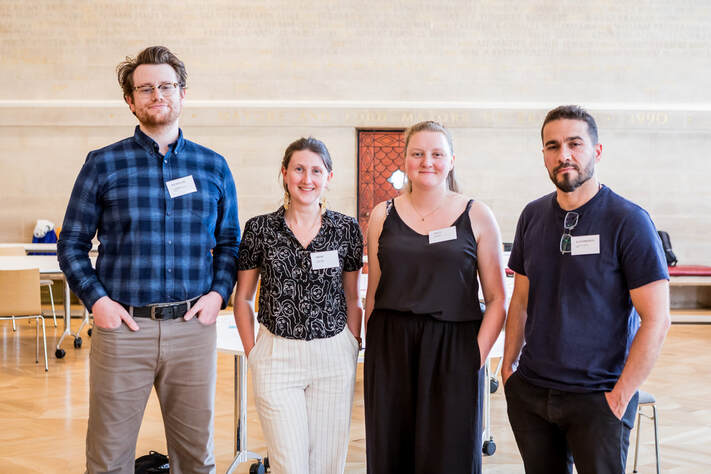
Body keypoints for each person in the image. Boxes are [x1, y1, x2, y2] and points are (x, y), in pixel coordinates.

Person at [58, 46, 239, 474]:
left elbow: (230, 242)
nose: (158, 94)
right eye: (146, 88)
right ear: (130, 101)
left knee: (196, 457)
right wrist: (98, 302)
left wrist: (218, 294)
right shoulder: (103, 164)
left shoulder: (213, 166)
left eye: (166, 85)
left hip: (193, 329)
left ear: (182, 93)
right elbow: (72, 244)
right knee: (108, 457)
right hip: (124, 330)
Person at [502, 105, 670, 474]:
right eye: (553, 146)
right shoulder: (532, 216)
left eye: (575, 144)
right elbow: (521, 299)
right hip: (532, 392)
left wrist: (621, 396)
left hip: (599, 397)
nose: (564, 155)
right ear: (543, 155)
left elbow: (656, 319)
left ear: (596, 150)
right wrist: (508, 368)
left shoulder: (628, 221)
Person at [364, 121, 507, 474]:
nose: (427, 161)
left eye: (437, 154)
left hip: (453, 345)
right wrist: (376, 352)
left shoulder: (477, 214)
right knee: (391, 451)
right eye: (418, 153)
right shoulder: (383, 215)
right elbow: (373, 294)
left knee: (450, 455)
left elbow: (497, 299)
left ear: (452, 160)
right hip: (391, 346)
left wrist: (474, 357)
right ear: (406, 160)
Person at [233, 137, 363, 474]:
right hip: (277, 356)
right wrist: (254, 354)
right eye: (299, 169)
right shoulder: (260, 229)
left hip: (334, 355)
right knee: (289, 464)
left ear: (329, 177)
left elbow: (352, 297)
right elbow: (244, 298)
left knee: (327, 465)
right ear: (285, 173)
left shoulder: (345, 229)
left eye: (316, 171)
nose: (307, 179)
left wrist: (351, 343)